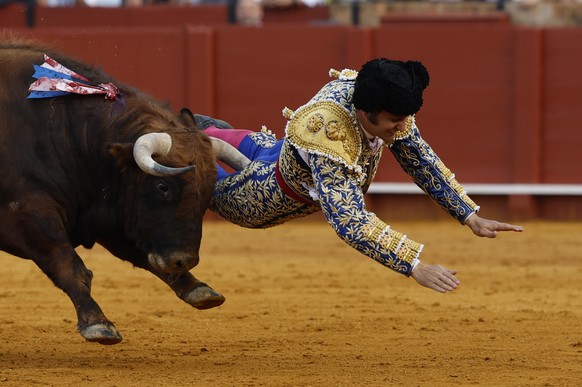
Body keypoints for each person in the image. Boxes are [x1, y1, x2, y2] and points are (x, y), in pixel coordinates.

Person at [192, 58, 523, 306]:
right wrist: (415, 265)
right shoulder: (330, 133)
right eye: (395, 121)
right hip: (265, 196)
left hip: (283, 152)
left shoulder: (378, 97)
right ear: (367, 113)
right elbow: (349, 220)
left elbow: (419, 159)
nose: (402, 126)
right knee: (191, 170)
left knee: (208, 138)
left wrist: (469, 215)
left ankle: (196, 133)